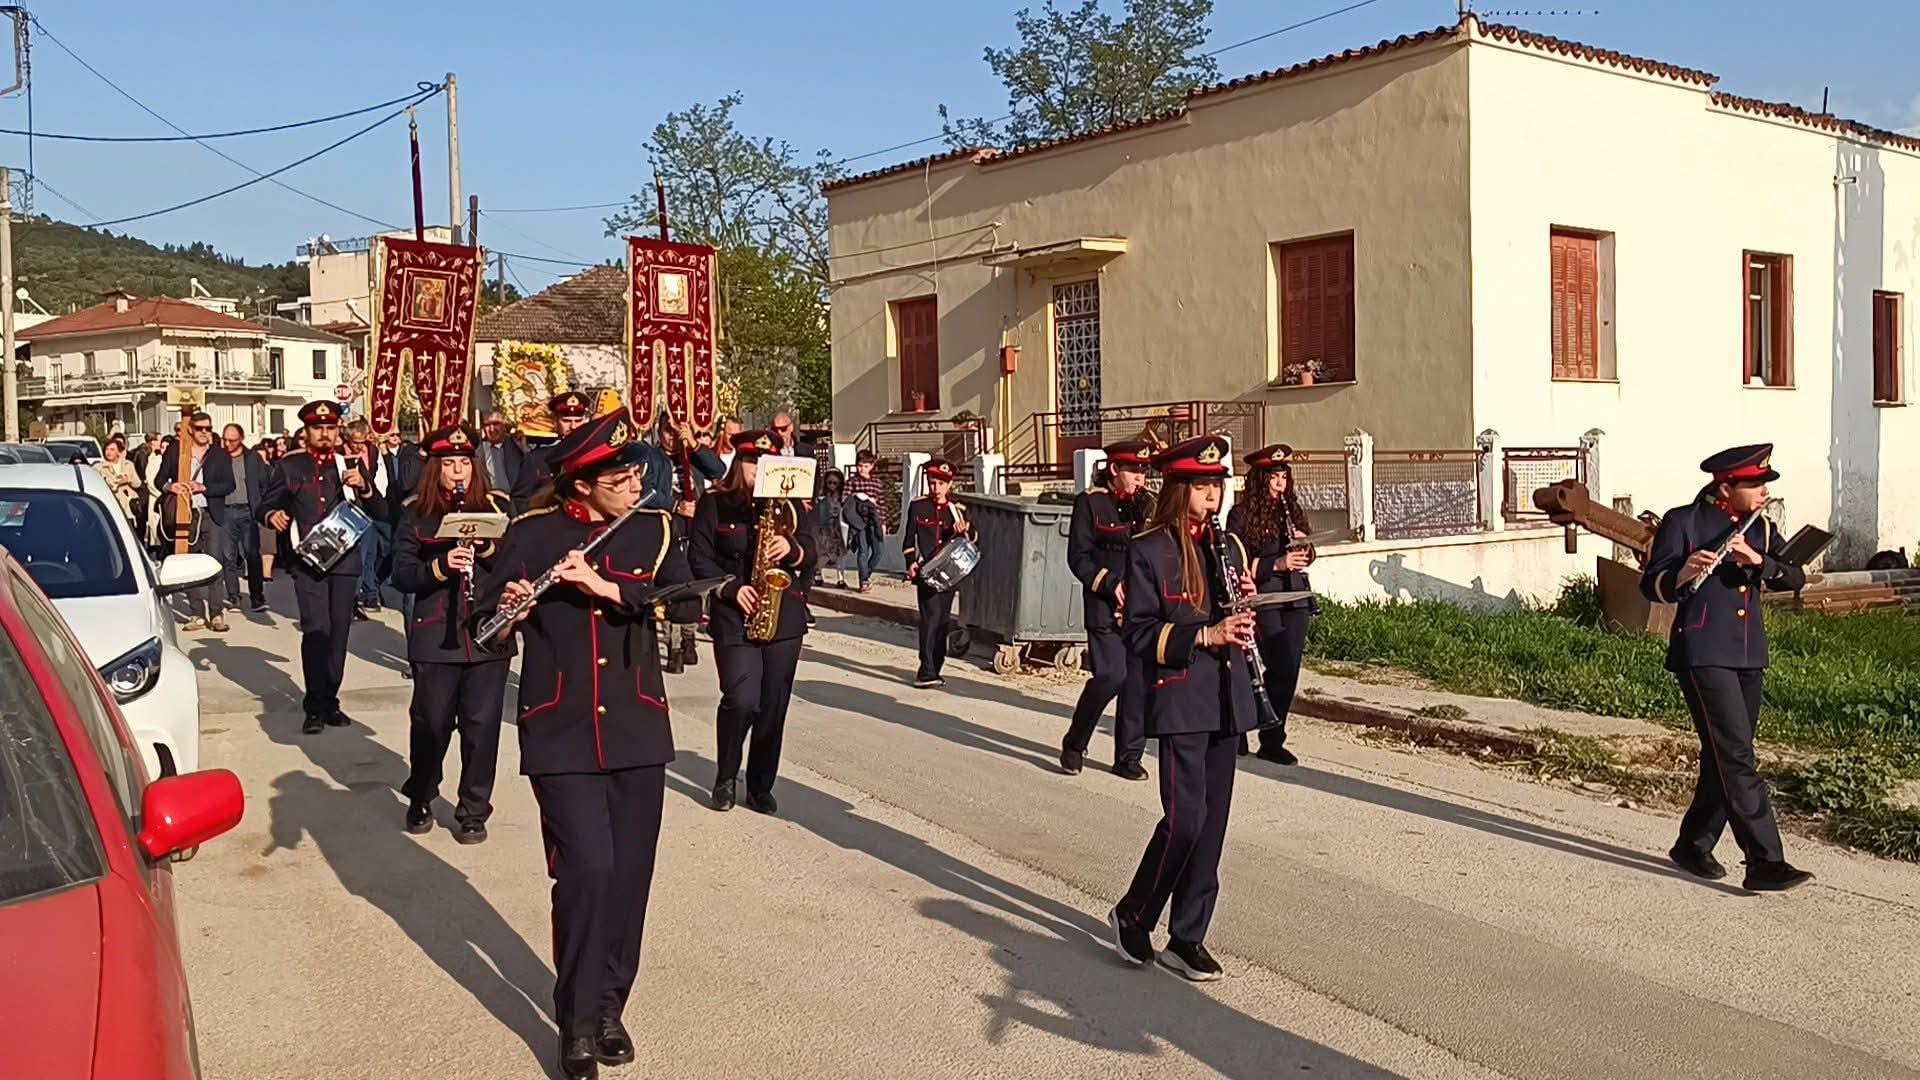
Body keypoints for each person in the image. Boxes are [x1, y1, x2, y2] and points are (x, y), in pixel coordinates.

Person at [481, 407, 700, 1079]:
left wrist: (606, 587)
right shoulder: (531, 533)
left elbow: (685, 602)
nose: (635, 484)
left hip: (637, 726)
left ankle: (609, 1008)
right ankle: (575, 1023)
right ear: (581, 485)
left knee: (629, 878)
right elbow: (483, 624)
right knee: (587, 872)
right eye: (620, 478)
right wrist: (511, 610)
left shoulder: (655, 529)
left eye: (635, 473)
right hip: (560, 727)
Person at [1108, 435, 1258, 982]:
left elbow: (1234, 618)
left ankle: (1187, 936)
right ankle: (1134, 913)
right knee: (1185, 822)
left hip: (1226, 696)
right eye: (1201, 486)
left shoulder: (1227, 547)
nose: (1212, 495)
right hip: (1180, 697)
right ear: (1177, 489)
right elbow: (1140, 634)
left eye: (1217, 484)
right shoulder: (1148, 549)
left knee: (1212, 826)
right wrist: (1206, 635)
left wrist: (1246, 606)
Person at [1639, 443, 1813, 893]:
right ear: (1725, 487)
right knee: (1736, 755)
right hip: (1703, 650)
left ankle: (1693, 844)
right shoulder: (1684, 521)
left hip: (1749, 652)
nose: (1763, 492)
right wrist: (1681, 575)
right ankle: (1765, 861)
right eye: (1754, 485)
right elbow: (1651, 585)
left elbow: (1795, 576)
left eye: (1765, 484)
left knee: (1727, 754)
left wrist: (1760, 563)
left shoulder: (1762, 527)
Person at [393, 424, 514, 844]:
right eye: (449, 464)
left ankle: (473, 810)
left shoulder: (497, 507)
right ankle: (422, 793)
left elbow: (518, 564)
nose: (458, 471)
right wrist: (441, 567)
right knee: (432, 723)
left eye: (465, 462)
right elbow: (401, 573)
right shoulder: (416, 512)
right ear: (435, 469)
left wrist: (488, 549)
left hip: (488, 634)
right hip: (435, 635)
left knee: (482, 727)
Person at [689, 429, 817, 815]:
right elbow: (698, 558)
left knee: (772, 707)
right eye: (750, 462)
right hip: (734, 615)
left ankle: (761, 785)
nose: (758, 469)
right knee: (742, 699)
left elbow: (812, 551)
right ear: (738, 464)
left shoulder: (791, 505)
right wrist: (730, 588)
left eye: (766, 463)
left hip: (784, 615)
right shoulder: (715, 503)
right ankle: (726, 775)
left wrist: (792, 549)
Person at [258, 400, 371, 734]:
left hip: (345, 561)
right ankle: (315, 705)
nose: (325, 433)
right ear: (306, 432)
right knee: (316, 629)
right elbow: (265, 505)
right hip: (308, 562)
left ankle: (331, 699)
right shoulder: (290, 466)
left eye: (330, 428)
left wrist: (364, 487)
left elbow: (382, 510)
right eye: (318, 428)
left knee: (339, 633)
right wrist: (272, 515)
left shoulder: (349, 463)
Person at [1060, 440, 1152, 779]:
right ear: (1114, 469)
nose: (1140, 478)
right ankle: (1075, 742)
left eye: (1143, 472)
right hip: (1104, 606)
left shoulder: (1148, 504)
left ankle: (1128, 755)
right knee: (1111, 676)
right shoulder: (1090, 503)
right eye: (1134, 471)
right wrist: (1111, 584)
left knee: (1138, 682)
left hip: (1141, 608)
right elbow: (1078, 558)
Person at [1225, 444, 1317, 766]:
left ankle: (1272, 740)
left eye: (1284, 476)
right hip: (1265, 598)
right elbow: (1233, 558)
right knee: (1273, 666)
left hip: (1296, 598)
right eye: (1274, 476)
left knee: (1288, 671)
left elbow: (1308, 552)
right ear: (1261, 479)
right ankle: (1239, 724)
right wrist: (1275, 564)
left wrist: (1305, 549)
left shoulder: (1293, 509)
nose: (1280, 482)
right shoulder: (1242, 514)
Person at [154, 412, 235, 630]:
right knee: (189, 564)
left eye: (208, 428)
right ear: (190, 429)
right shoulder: (176, 450)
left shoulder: (219, 454)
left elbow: (229, 485)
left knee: (214, 562)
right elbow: (159, 479)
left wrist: (204, 487)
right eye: (200, 428)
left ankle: (216, 613)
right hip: (186, 513)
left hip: (210, 512)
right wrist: (171, 486)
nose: (205, 432)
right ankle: (196, 613)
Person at [902, 459, 970, 689]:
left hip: (949, 573)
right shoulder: (918, 506)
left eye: (941, 483)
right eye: (932, 482)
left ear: (949, 484)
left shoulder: (958, 510)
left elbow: (972, 540)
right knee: (930, 619)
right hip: (927, 573)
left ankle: (936, 666)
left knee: (942, 621)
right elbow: (908, 541)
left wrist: (963, 531)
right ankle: (926, 669)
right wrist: (911, 563)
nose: (936, 487)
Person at [512, 391, 594, 514]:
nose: (573, 426)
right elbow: (520, 499)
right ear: (555, 422)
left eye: (578, 421)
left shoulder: (596, 456)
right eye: (566, 421)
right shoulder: (537, 458)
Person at [343, 419, 394, 616]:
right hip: (350, 508)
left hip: (372, 505)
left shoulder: (373, 451)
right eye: (354, 442)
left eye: (361, 442)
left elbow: (382, 477)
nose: (358, 446)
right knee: (360, 555)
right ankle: (363, 594)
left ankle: (370, 589)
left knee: (377, 551)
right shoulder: (340, 453)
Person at [220, 423, 269, 614]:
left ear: (241, 439)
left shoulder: (253, 458)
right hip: (225, 511)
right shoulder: (219, 458)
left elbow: (265, 483)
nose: (227, 444)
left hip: (248, 511)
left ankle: (257, 596)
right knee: (228, 556)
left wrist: (261, 505)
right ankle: (234, 596)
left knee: (252, 554)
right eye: (225, 439)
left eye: (232, 440)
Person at [843, 450, 887, 592]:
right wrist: (858, 497)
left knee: (879, 551)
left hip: (874, 521)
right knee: (863, 551)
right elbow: (845, 500)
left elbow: (881, 504)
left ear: (872, 466)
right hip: (859, 522)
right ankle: (864, 581)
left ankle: (866, 574)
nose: (862, 469)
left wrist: (883, 522)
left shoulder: (876, 483)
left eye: (866, 466)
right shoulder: (852, 482)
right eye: (860, 466)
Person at [813, 469, 849, 587]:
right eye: (830, 482)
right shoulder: (822, 498)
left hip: (839, 529)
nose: (832, 485)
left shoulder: (843, 497)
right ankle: (817, 573)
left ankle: (841, 578)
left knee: (841, 555)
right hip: (825, 529)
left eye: (835, 483)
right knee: (824, 554)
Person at [94, 435, 140, 525]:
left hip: (128, 507)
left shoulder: (128, 465)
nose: (109, 452)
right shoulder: (99, 467)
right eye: (107, 449)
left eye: (112, 449)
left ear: (119, 452)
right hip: (111, 505)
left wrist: (128, 479)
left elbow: (137, 483)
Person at [478, 410, 525, 496]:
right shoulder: (479, 451)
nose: (491, 429)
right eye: (487, 425)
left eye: (496, 424)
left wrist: (524, 450)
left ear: (504, 426)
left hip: (517, 499)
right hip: (490, 499)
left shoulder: (517, 445)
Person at [257, 439, 283, 582]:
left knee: (268, 543)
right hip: (250, 510)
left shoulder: (272, 472)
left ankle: (266, 573)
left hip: (268, 509)